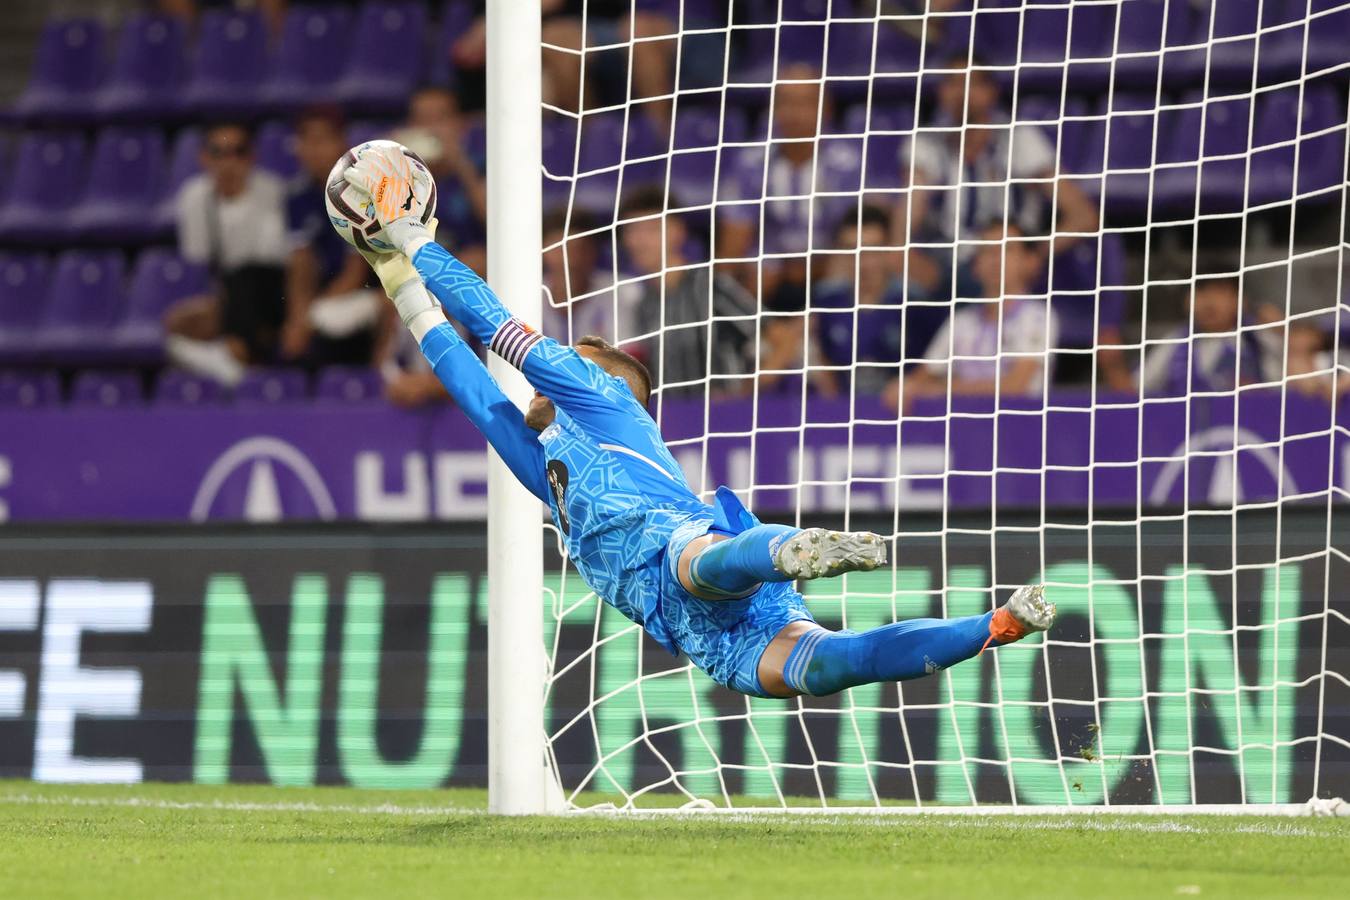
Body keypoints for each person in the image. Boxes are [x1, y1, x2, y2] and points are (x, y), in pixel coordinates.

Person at [339, 148, 1057, 700]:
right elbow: (474, 392)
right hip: (697, 635)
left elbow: (492, 327)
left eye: (580, 354)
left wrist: (413, 238)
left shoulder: (602, 399)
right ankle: (993, 627)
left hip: (677, 547)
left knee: (702, 563)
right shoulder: (549, 468)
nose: (558, 359)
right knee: (840, 665)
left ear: (605, 375)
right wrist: (398, 281)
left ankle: (786, 550)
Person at [164, 121, 287, 385]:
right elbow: (198, 261)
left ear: (252, 157)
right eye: (219, 152)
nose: (229, 162)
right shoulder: (194, 197)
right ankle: (232, 360)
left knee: (246, 279)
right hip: (227, 294)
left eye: (238, 152)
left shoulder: (273, 193)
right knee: (179, 321)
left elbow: (271, 260)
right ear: (204, 158)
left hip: (272, 289)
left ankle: (232, 358)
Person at [893, 222, 1057, 411]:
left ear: (1030, 261)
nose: (996, 260)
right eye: (987, 251)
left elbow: (1016, 386)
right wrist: (904, 386)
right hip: (962, 430)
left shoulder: (1037, 316)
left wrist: (944, 389)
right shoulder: (961, 321)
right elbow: (923, 376)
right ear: (975, 265)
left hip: (1019, 426)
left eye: (1007, 249)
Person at [618, 186, 757, 397]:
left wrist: (742, 396)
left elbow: (778, 336)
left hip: (724, 421)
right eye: (632, 230)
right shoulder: (643, 304)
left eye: (652, 229)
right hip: (673, 422)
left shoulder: (710, 285)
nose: (641, 241)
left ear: (678, 232)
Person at [282, 106, 381, 366]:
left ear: (342, 143)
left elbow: (356, 271)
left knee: (327, 319)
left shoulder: (361, 191)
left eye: (323, 140)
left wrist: (308, 318)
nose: (315, 150)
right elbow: (301, 265)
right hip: (330, 294)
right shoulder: (298, 197)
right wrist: (297, 317)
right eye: (308, 141)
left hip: (376, 291)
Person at [813, 205, 947, 396]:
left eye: (872, 251)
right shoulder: (826, 303)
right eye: (851, 250)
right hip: (844, 415)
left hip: (904, 417)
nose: (862, 262)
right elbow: (821, 362)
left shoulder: (917, 305)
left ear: (888, 251)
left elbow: (940, 368)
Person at [393, 86, 488, 276]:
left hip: (475, 266)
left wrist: (460, 164)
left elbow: (494, 221)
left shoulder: (481, 165)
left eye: (440, 119)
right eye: (422, 120)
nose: (431, 128)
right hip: (418, 266)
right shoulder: (399, 172)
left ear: (460, 124)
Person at [1139, 277, 1264, 398]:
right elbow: (1137, 387)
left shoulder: (1257, 340)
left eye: (1219, 292)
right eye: (1201, 292)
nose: (1209, 302)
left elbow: (1281, 387)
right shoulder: (1175, 341)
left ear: (1240, 299)